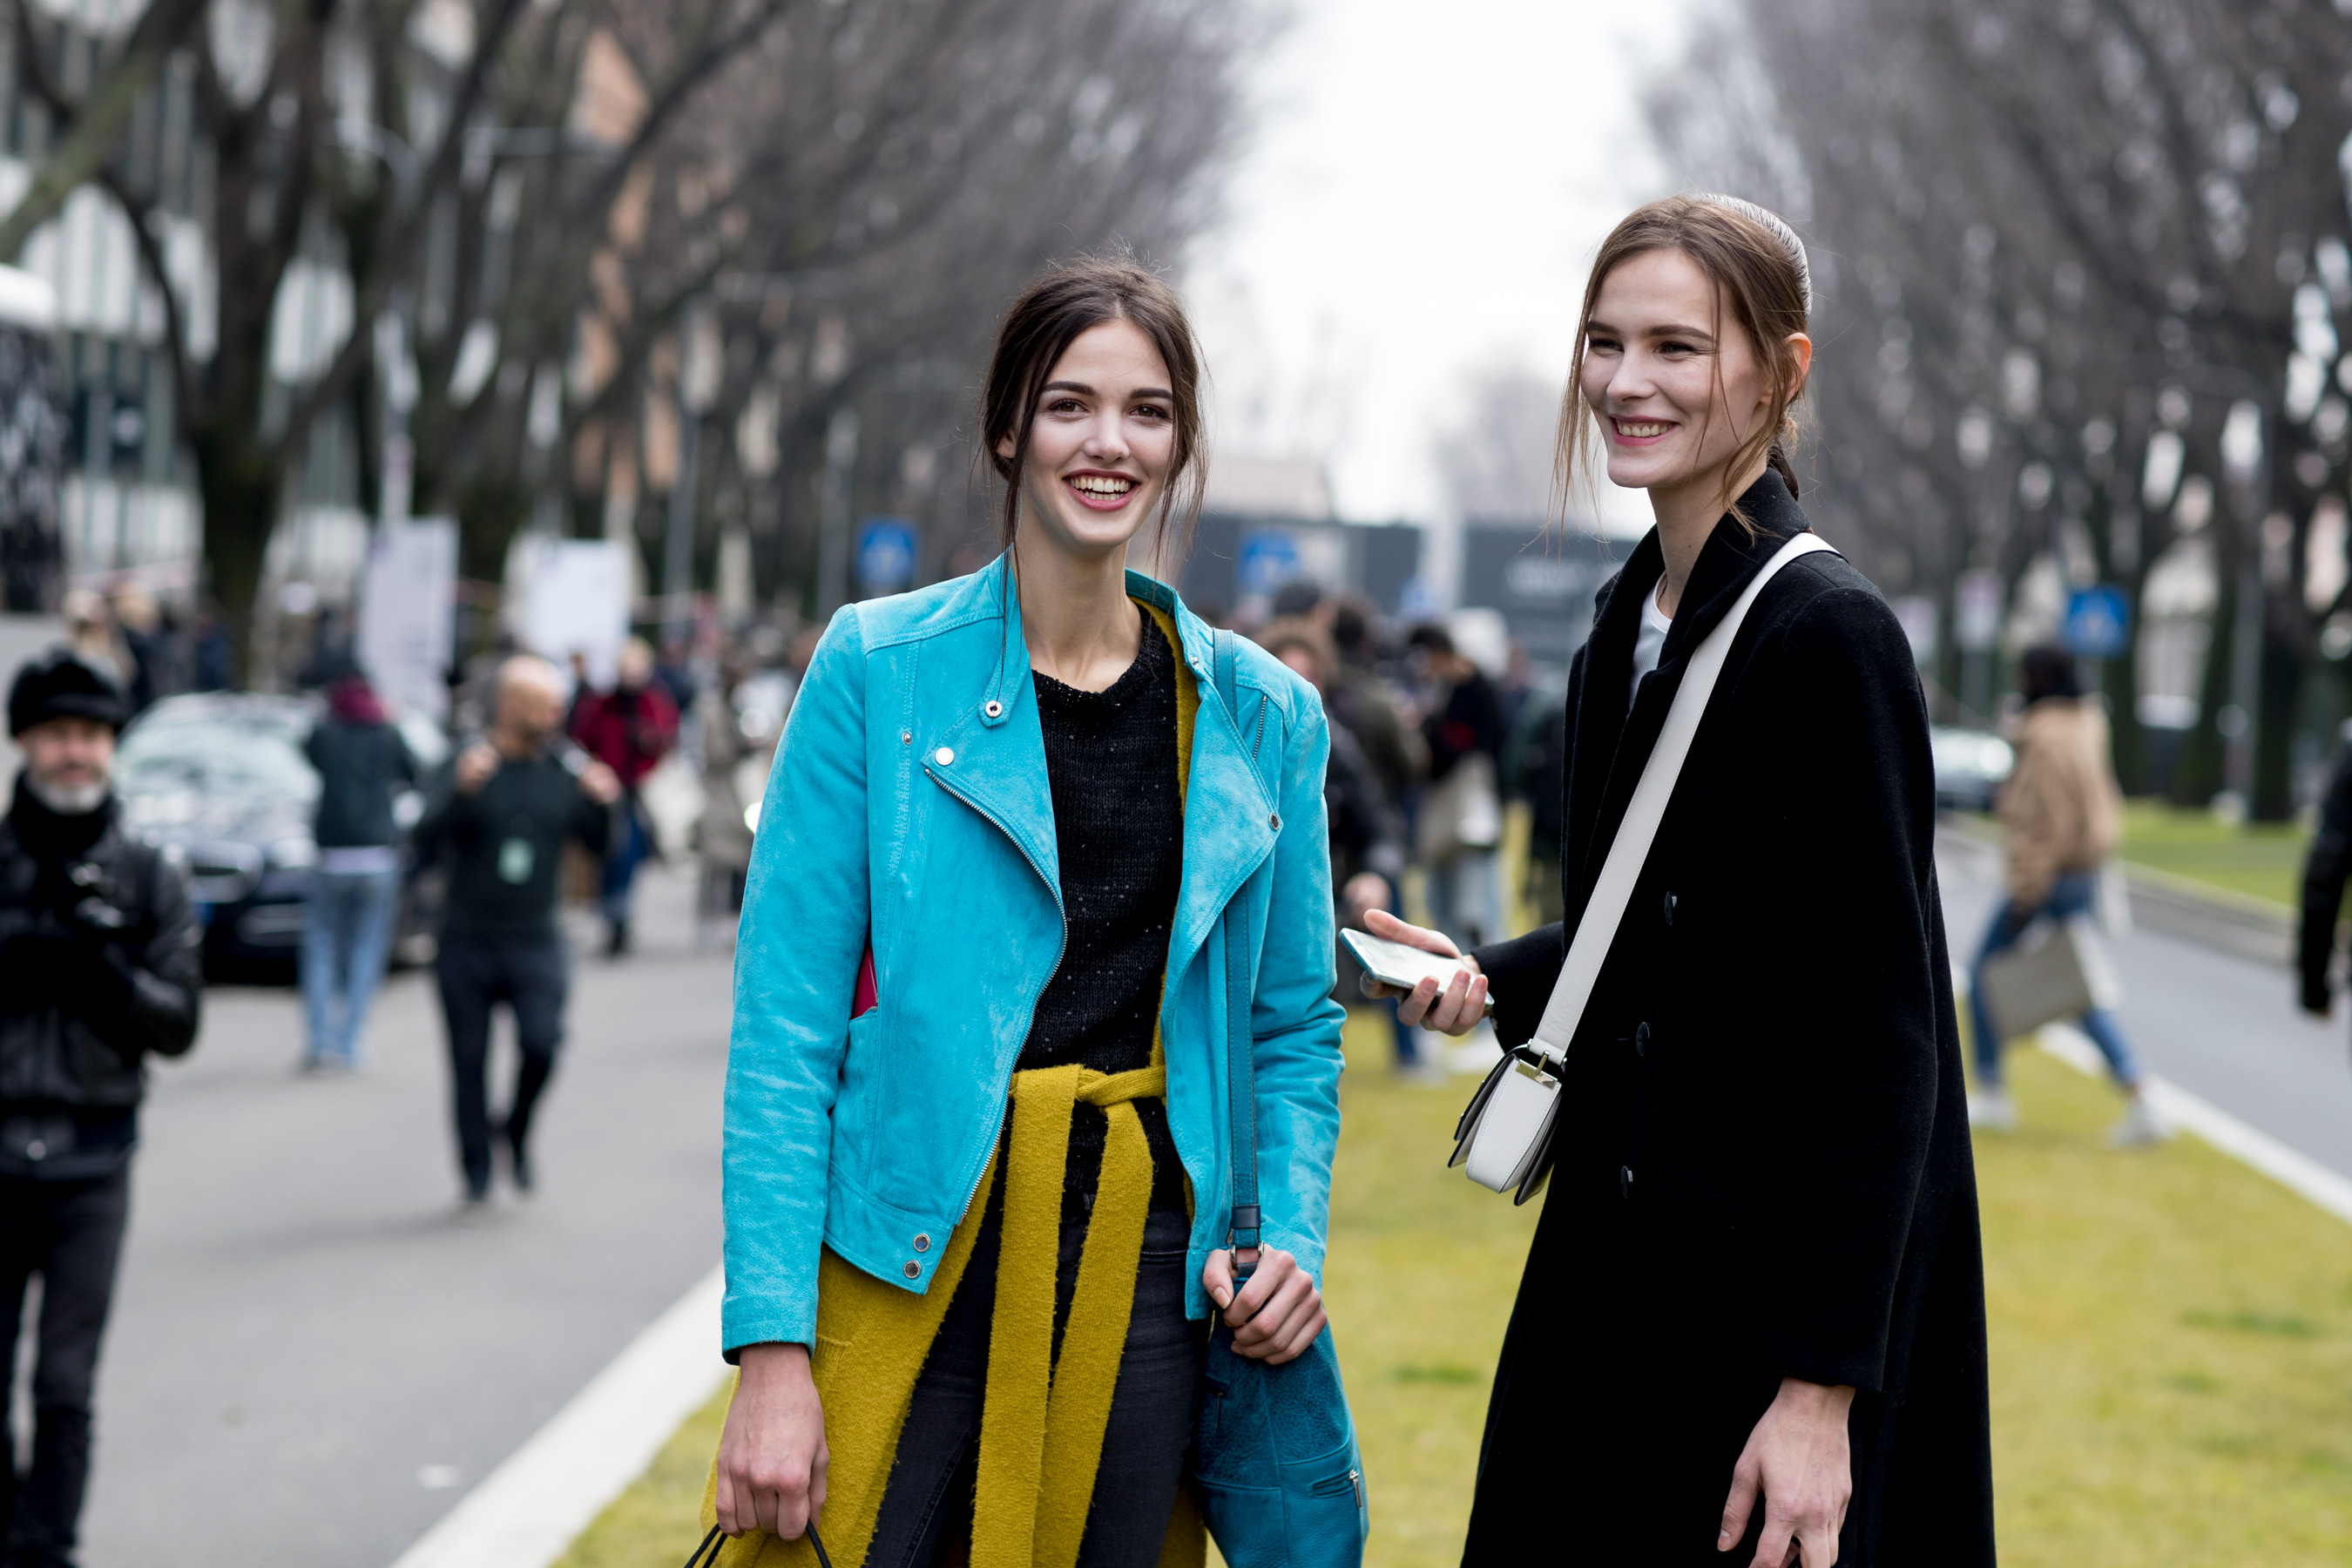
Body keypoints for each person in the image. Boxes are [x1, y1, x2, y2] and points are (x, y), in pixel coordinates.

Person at [1373, 195, 1992, 1565]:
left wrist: (1821, 1394)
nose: (1626, 383)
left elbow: (1882, 1048)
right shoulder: (1625, 620)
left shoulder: (1830, 635)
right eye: (1605, 343)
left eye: (1677, 346)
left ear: (1783, 371)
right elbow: (1663, 935)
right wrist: (1489, 977)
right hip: (1607, 1283)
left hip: (1760, 1324)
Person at [712, 257, 1344, 1565]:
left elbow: (1290, 1024)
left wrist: (1285, 1231)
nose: (1110, 443)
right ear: (1009, 429)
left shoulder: (1262, 715)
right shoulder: (876, 669)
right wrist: (771, 1349)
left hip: (1147, 1273)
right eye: (1070, 405)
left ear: (1180, 445)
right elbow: (783, 1036)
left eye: (1148, 412)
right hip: (910, 1256)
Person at [0, 649, 200, 1567]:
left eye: (89, 735)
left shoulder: (148, 873)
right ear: (25, 743)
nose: (73, 753)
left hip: (93, 1162)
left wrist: (105, 971)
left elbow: (178, 1024)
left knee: (63, 1386)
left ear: (112, 744)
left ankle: (49, 1552)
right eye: (55, 735)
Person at [413, 657, 619, 1206]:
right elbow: (422, 840)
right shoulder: (467, 763)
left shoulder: (564, 768)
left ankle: (517, 1128)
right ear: (508, 705)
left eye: (558, 703)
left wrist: (605, 804)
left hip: (535, 938)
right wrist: (459, 793)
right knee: (468, 1061)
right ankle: (476, 1174)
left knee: (542, 1044)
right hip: (467, 938)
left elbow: (600, 846)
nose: (556, 713)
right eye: (543, 703)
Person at [1968, 645, 2163, 1145]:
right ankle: (2139, 1092)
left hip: (2049, 876)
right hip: (2080, 872)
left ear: (2035, 679)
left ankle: (1992, 1092)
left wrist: (2027, 892)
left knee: (1984, 973)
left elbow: (2049, 820)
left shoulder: (2047, 735)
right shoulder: (2086, 721)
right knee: (2075, 983)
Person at [1257, 617, 1423, 1076]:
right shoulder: (1233, 746)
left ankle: (1409, 1053)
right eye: (1286, 676)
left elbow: (1381, 828)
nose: (1298, 689)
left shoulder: (1336, 747)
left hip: (1313, 904)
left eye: (1308, 678)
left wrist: (1374, 873)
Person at [300, 667, 418, 1071]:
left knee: (322, 946)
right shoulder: (387, 732)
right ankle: (351, 1043)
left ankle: (320, 1042)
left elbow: (306, 753)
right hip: (377, 854)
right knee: (366, 947)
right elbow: (413, 773)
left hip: (332, 853)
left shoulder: (326, 732)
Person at [568, 637, 678, 956]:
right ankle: (612, 914)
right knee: (611, 852)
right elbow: (582, 740)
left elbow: (667, 738)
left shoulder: (653, 703)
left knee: (631, 852)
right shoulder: (603, 704)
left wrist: (649, 741)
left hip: (640, 789)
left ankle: (620, 913)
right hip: (608, 790)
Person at [1409, 622, 1506, 950]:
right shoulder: (1444, 689)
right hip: (1449, 809)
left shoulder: (1471, 687)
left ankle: (1479, 954)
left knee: (1474, 901)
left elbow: (1465, 745)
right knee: (1445, 900)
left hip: (1467, 810)